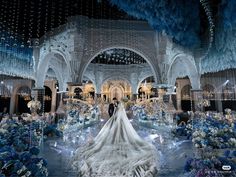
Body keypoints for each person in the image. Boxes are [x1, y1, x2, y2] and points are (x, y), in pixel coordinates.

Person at [73, 101, 159, 177]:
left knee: (112, 135)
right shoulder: (121, 116)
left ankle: (115, 142)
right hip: (120, 128)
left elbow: (114, 118)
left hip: (115, 126)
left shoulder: (115, 116)